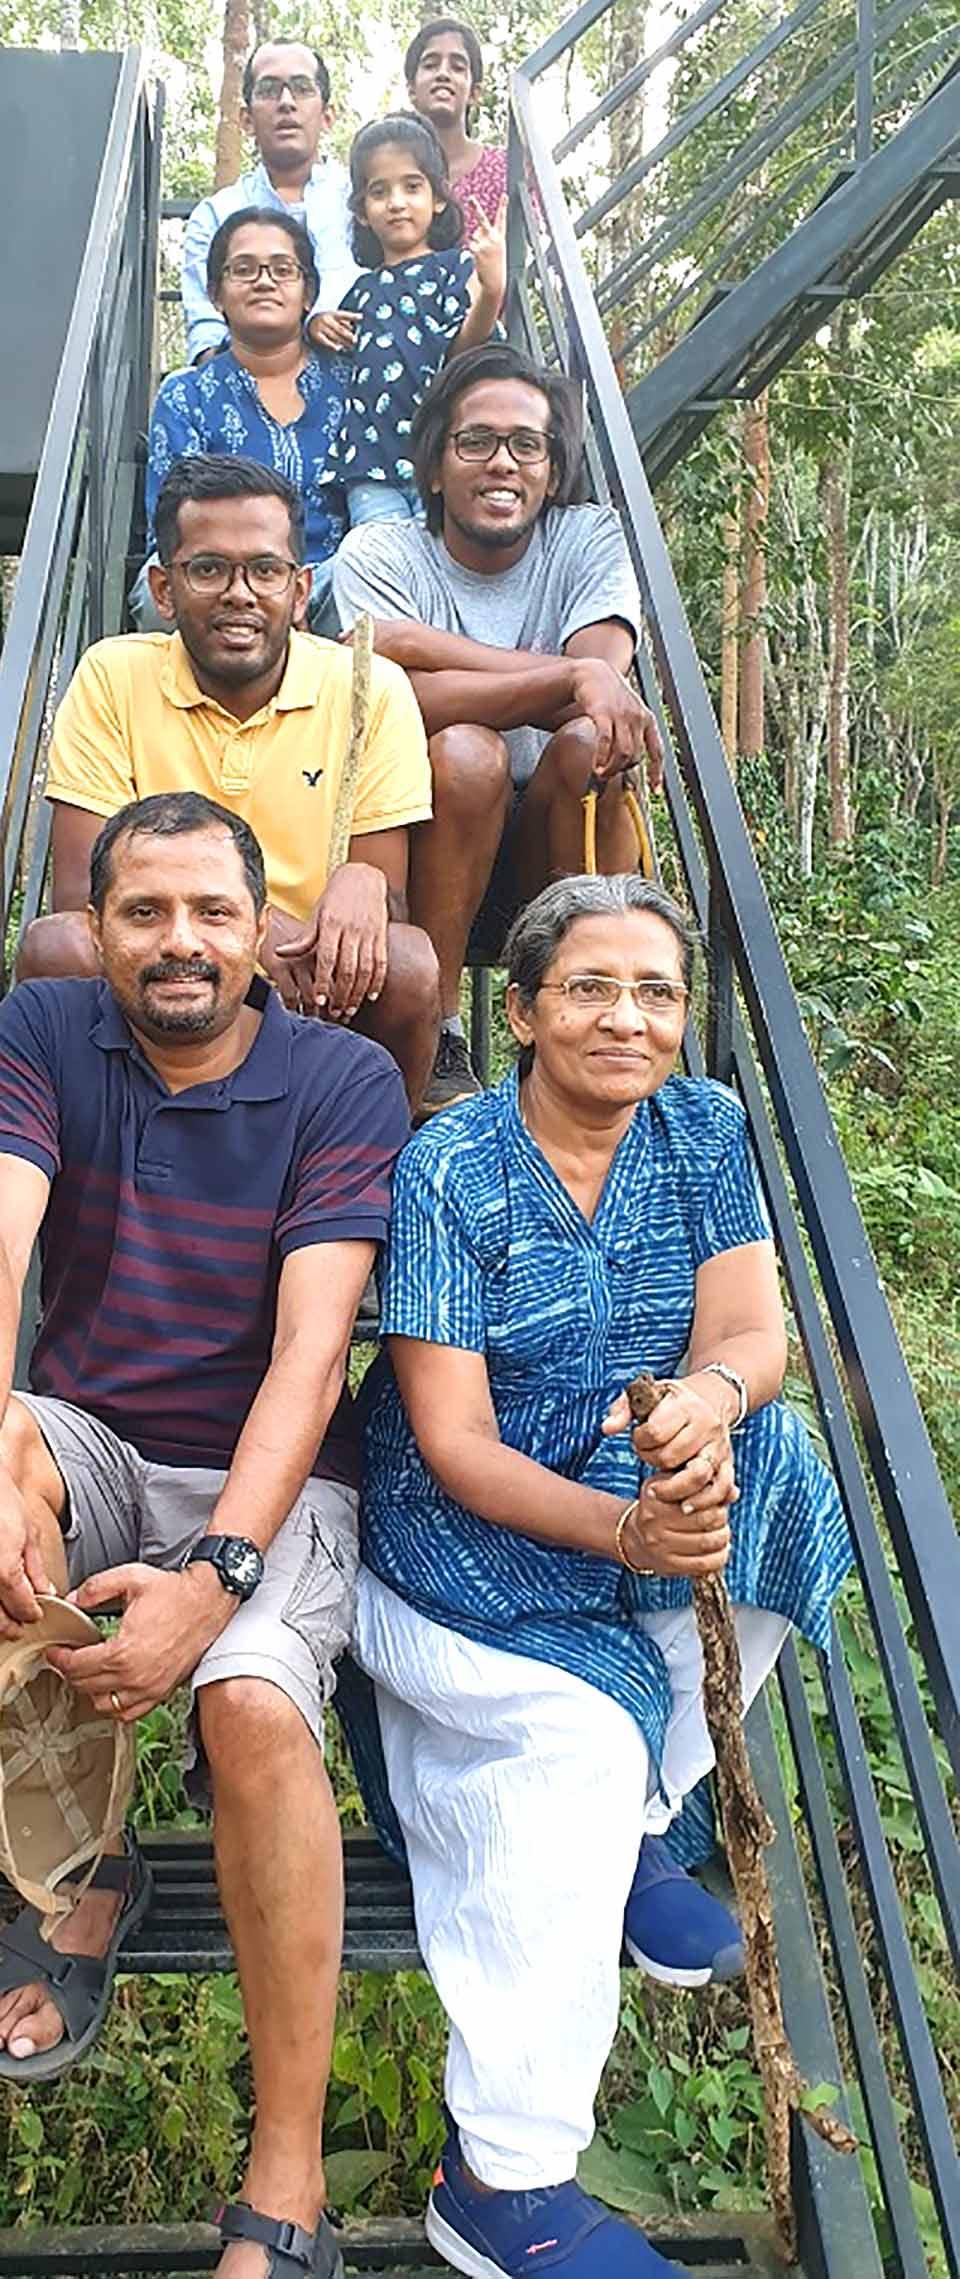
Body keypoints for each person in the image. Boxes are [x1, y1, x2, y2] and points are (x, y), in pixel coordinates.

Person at [0, 791, 410, 2279]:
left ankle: (287, 2168)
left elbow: (314, 1352)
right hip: (105, 1439)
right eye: (144, 911)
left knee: (254, 1705)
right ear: (98, 929)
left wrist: (220, 1577)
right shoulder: (46, 1035)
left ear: (266, 928)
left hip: (277, 1470)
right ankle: (89, 1861)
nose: (180, 941)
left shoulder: (344, 1079)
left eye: (211, 911)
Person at [350, 874, 852, 2279]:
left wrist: (707, 1393)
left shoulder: (702, 1128)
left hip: (618, 1469)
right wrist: (628, 1535)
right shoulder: (452, 1161)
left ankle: (646, 1814)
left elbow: (755, 1325)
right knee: (562, 1744)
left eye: (657, 992)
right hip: (464, 1540)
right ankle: (503, 2177)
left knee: (787, 1473)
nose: (627, 1017)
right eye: (589, 987)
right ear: (517, 1010)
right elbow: (447, 1438)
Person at [22, 456, 441, 1108]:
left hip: (310, 985)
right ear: (163, 589)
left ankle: (371, 1175)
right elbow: (87, 897)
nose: (239, 592)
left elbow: (383, 908)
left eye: (266, 570)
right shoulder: (112, 677)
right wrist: (253, 938)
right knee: (57, 947)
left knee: (410, 962)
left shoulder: (367, 687)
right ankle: (78, 1165)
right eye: (209, 568)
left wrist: (366, 882)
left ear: (301, 593)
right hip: (163, 962)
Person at [333, 341, 660, 1113]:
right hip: (421, 839)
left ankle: (572, 1021)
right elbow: (388, 701)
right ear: (437, 467)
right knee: (465, 753)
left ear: (551, 469)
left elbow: (599, 692)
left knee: (587, 749)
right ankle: (443, 1035)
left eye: (526, 445)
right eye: (475, 441)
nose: (502, 463)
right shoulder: (379, 551)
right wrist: (565, 675)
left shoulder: (587, 538)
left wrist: (423, 652)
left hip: (556, 824)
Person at [135, 209, 348, 635]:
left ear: (309, 293)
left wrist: (298, 588)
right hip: (222, 577)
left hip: (331, 579)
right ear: (216, 295)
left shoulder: (353, 382)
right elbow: (172, 522)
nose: (264, 281)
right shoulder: (187, 395)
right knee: (154, 592)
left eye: (283, 269)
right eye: (244, 269)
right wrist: (261, 583)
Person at [320, 114, 505, 529]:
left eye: (412, 186)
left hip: (440, 463)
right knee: (377, 565)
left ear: (438, 198)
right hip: (369, 466)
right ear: (363, 211)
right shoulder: (360, 291)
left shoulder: (454, 268)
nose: (397, 202)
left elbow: (465, 350)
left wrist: (491, 290)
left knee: (438, 567)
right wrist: (315, 327)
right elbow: (336, 362)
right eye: (379, 191)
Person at [182, 41, 358, 366]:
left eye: (302, 88)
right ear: (246, 119)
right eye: (269, 90)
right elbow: (206, 337)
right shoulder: (216, 216)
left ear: (328, 115)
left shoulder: (361, 203)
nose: (286, 102)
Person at [405, 16, 508, 245]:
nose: (443, 74)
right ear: (411, 89)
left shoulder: (505, 171)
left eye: (458, 67)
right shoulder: (387, 168)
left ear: (475, 93)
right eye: (430, 65)